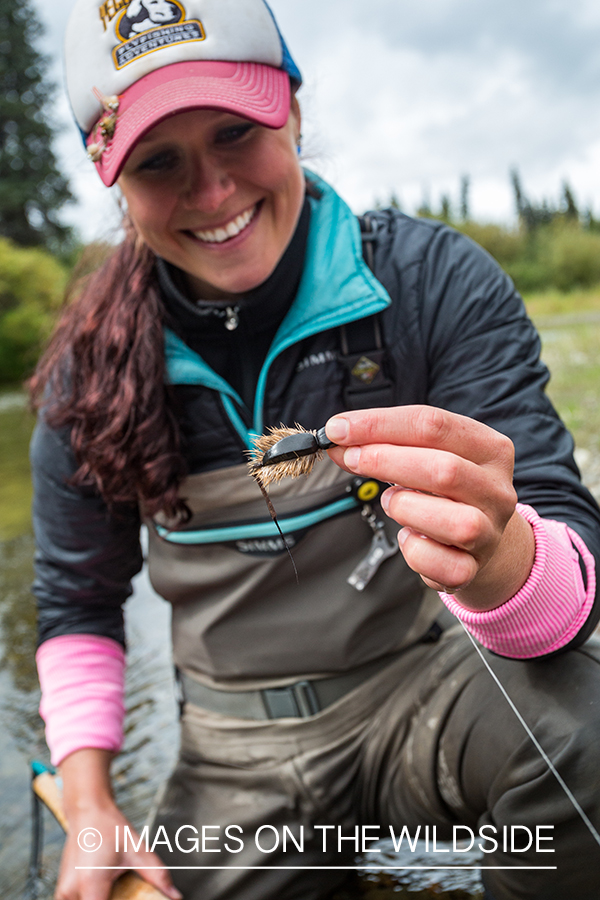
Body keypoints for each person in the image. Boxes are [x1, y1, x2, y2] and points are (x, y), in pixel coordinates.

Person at [30, 1, 600, 899]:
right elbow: (75, 605)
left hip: (429, 689)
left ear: (291, 108)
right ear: (115, 182)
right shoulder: (83, 382)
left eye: (232, 132)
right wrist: (92, 799)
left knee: (588, 730)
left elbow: (564, 573)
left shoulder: (432, 285)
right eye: (158, 161)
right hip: (235, 753)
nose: (211, 189)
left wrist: (502, 566)